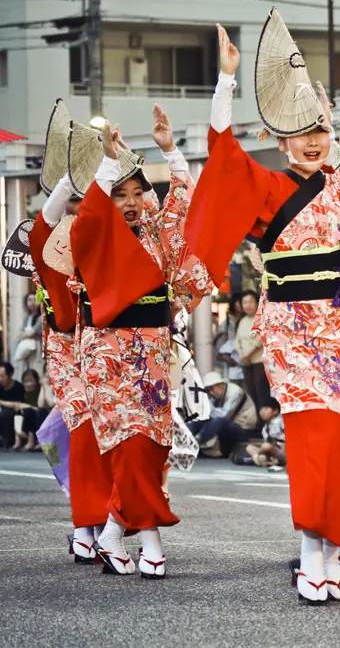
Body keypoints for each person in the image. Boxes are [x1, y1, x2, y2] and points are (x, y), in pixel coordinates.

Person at [184, 10, 340, 604]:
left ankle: (335, 553)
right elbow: (221, 150)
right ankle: (312, 556)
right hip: (293, 329)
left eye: (320, 128)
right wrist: (227, 80)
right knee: (313, 441)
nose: (313, 139)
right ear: (280, 139)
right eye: (300, 131)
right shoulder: (265, 185)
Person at [68, 101, 214, 578]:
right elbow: (90, 213)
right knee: (129, 444)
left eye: (136, 193)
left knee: (154, 444)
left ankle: (113, 533)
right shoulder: (91, 231)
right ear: (106, 198)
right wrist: (109, 163)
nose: (129, 202)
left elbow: (183, 204)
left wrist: (170, 150)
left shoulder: (156, 232)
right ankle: (149, 538)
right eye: (119, 194)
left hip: (152, 349)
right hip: (107, 351)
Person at [29, 98, 111, 563]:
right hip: (66, 344)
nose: (81, 207)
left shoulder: (101, 233)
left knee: (105, 433)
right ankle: (85, 525)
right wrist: (69, 178)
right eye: (75, 201)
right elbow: (45, 224)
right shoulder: (49, 239)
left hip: (107, 343)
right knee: (79, 430)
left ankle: (104, 522)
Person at [190, 371, 259, 456]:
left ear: (220, 385)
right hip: (230, 424)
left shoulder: (236, 392)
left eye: (211, 389)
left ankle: (195, 443)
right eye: (208, 390)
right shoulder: (216, 395)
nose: (210, 393)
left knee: (218, 420)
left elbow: (224, 415)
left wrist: (208, 407)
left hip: (244, 428)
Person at [236, 290, 270, 408]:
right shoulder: (242, 321)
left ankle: (264, 422)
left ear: (257, 303)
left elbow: (259, 341)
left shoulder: (261, 318)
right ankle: (256, 421)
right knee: (251, 393)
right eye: (245, 302)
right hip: (246, 363)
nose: (248, 305)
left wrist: (247, 356)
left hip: (259, 362)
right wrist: (242, 356)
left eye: (251, 302)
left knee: (262, 393)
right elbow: (237, 341)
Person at [246, 397, 286, 468]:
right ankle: (264, 460)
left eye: (266, 408)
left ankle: (255, 459)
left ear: (275, 411)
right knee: (249, 447)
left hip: (284, 453)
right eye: (261, 409)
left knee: (266, 446)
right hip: (272, 452)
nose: (262, 412)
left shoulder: (280, 422)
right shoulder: (265, 428)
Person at [13, 293, 44, 380]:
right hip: (28, 351)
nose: (32, 302)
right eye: (29, 300)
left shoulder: (41, 317)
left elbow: (31, 332)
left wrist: (24, 334)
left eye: (34, 300)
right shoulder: (27, 318)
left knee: (37, 373)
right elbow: (19, 335)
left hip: (38, 349)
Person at [0, 361, 27, 449]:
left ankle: (7, 442)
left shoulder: (18, 387)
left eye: (2, 376)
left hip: (15, 412)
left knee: (6, 414)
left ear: (10, 375)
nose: (0, 379)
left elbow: (18, 405)